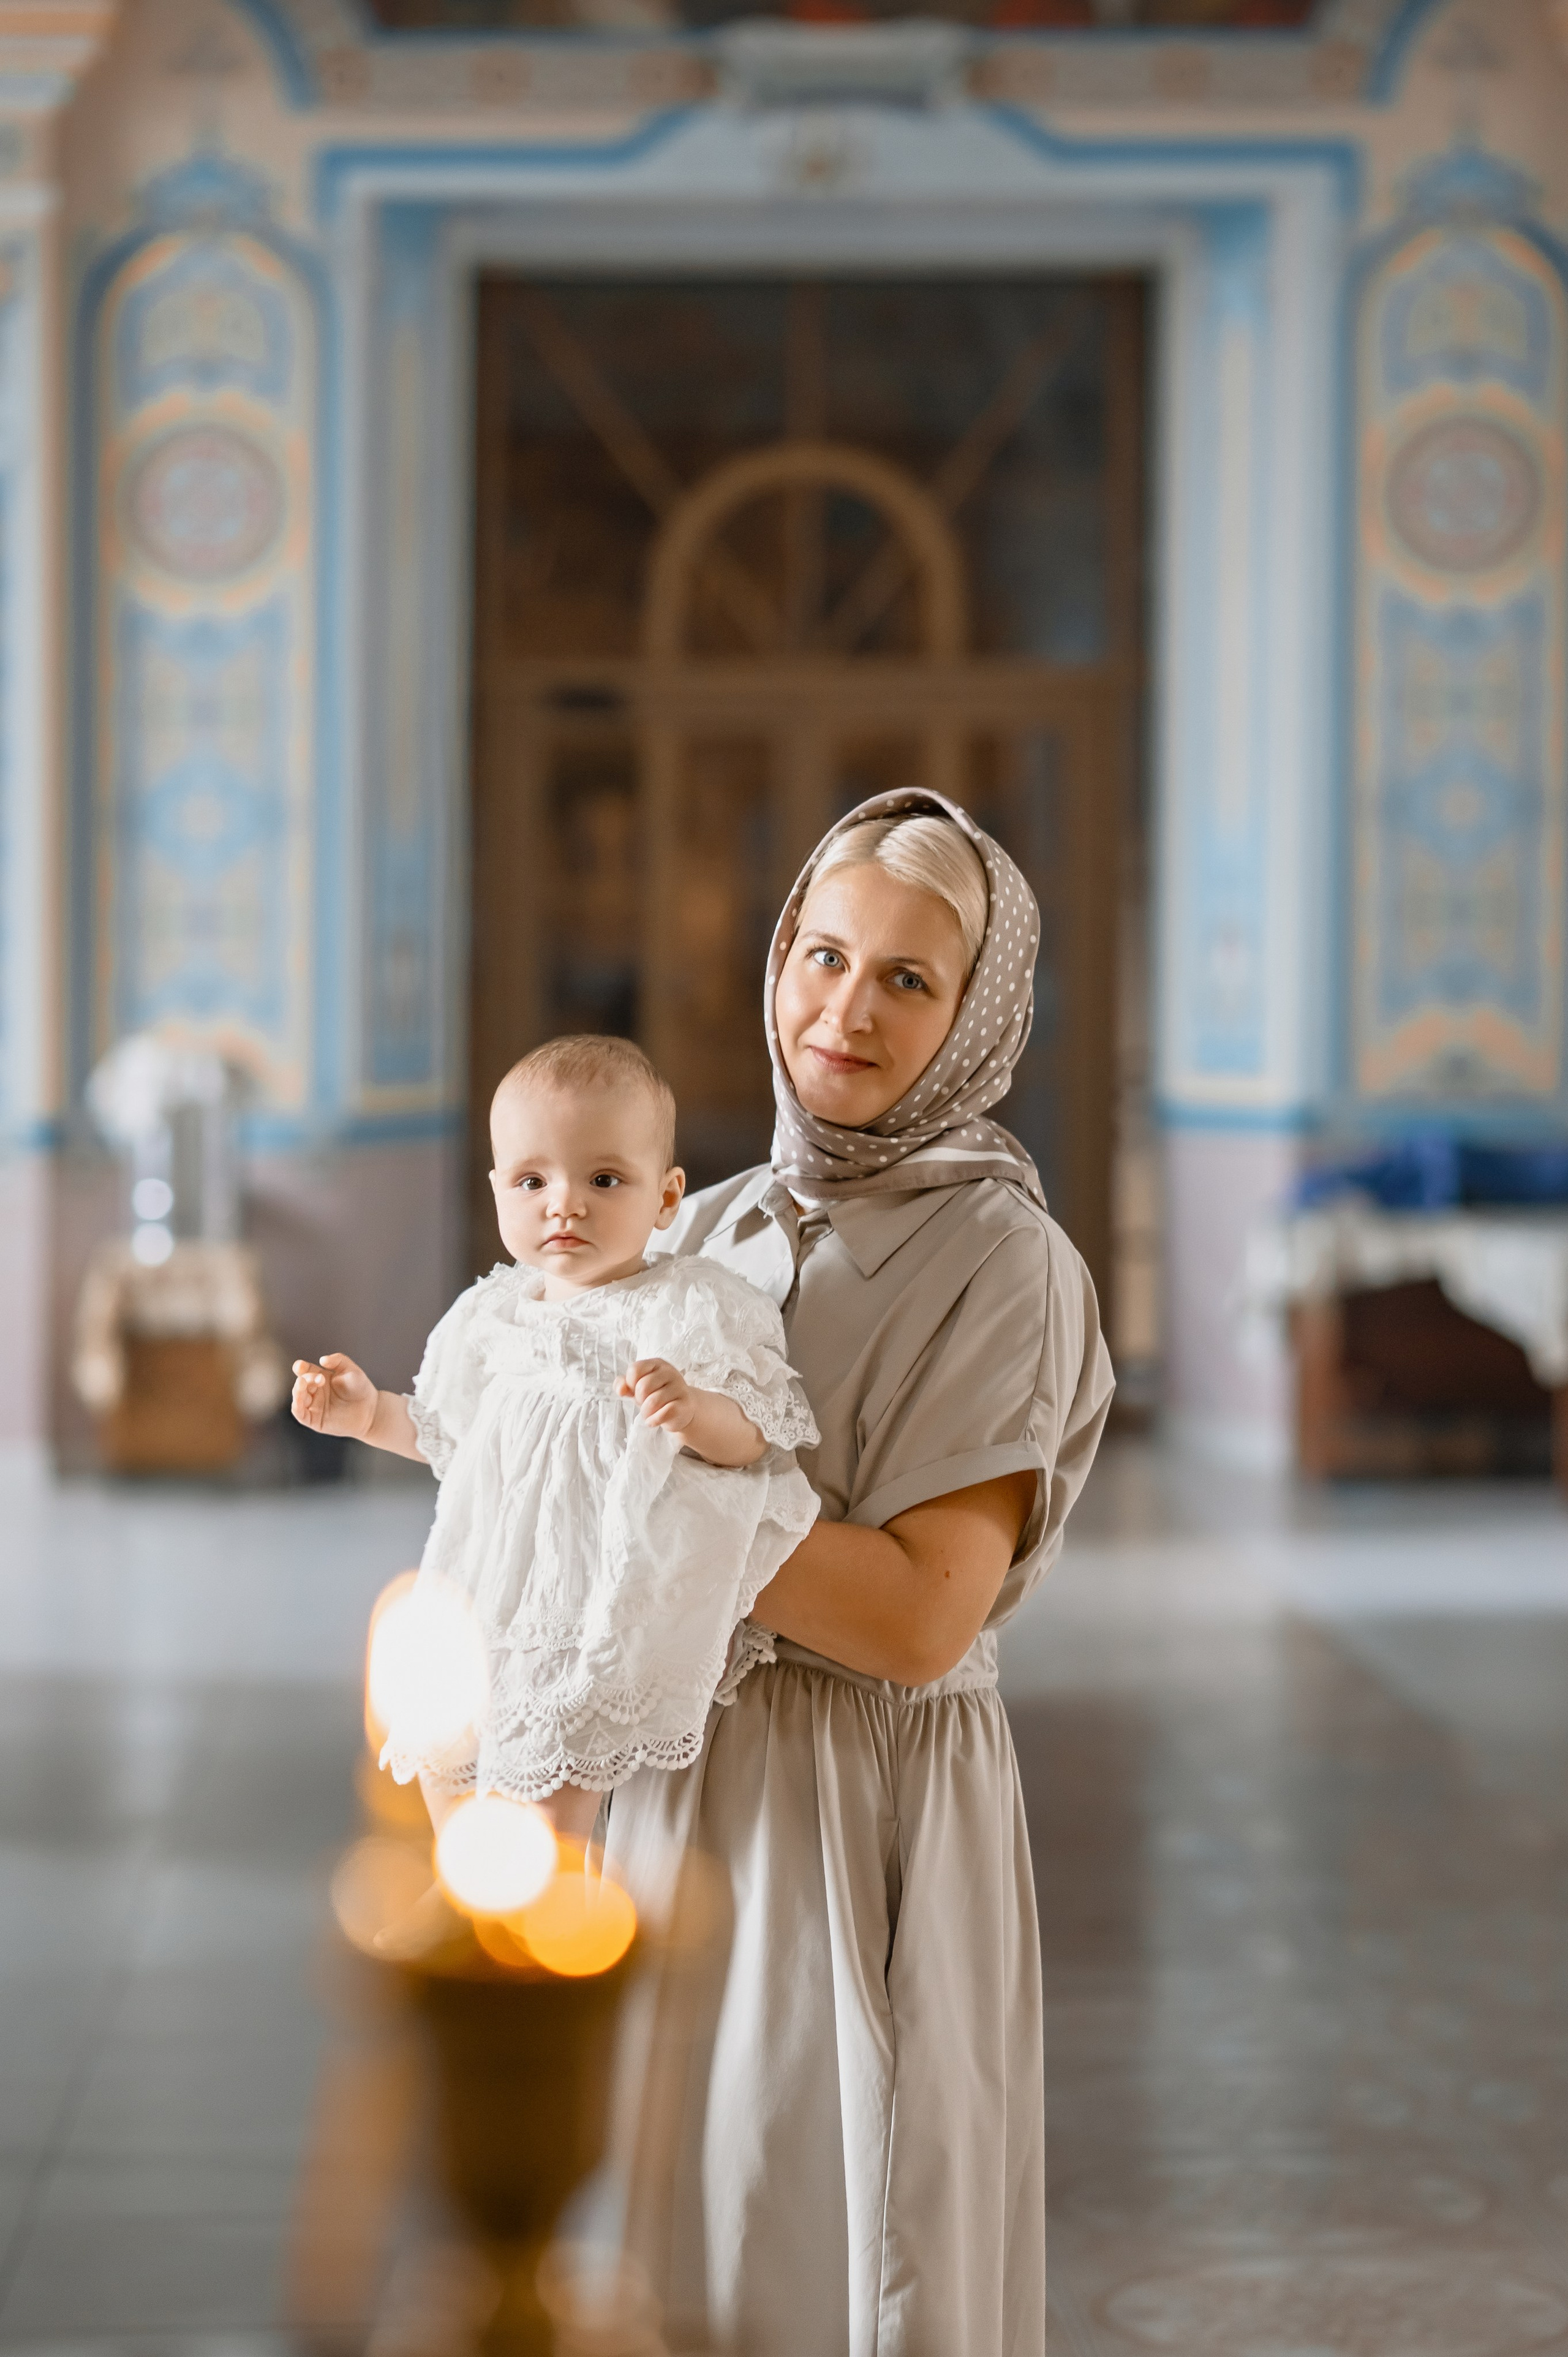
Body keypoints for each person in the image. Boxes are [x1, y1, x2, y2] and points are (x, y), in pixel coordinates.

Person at [605, 790, 1115, 2357]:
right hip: (683, 1791)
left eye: (908, 978)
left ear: (977, 1018)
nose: (844, 1009)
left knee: (848, 2242)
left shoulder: (1001, 1260)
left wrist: (679, 1511)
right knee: (665, 2235)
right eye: (821, 955)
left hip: (861, 1802)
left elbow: (910, 1618)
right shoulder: (708, 1222)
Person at [288, 1035, 819, 1839]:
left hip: (596, 1593)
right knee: (442, 1746)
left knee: (556, 1770)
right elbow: (447, 1439)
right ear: (498, 1187)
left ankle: (527, 1898)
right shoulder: (489, 1316)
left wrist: (694, 1409)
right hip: (487, 1579)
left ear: (668, 1197)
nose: (563, 1204)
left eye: (604, 1180)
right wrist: (367, 1415)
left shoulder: (690, 1306)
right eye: (533, 1180)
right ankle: (462, 1890)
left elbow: (759, 1438)